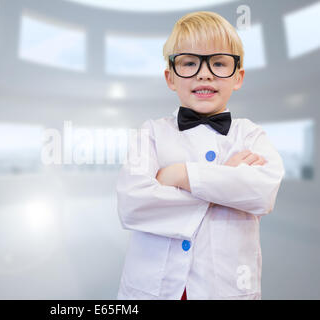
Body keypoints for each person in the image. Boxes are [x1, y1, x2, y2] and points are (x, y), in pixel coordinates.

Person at [116, 11, 285, 300]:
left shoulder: (250, 134)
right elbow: (133, 204)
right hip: (151, 289)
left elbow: (262, 192)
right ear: (170, 78)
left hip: (226, 289)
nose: (204, 73)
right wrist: (226, 180)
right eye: (190, 63)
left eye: (218, 63)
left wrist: (180, 174)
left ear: (238, 77)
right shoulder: (151, 133)